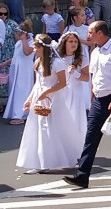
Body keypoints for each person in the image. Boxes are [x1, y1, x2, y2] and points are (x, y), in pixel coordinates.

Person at [63, 21, 111, 189]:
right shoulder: (95, 51)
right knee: (91, 137)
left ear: (99, 33)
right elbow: (94, 78)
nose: (88, 35)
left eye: (90, 32)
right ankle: (83, 175)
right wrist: (91, 98)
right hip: (98, 100)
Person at [16, 34, 82, 174]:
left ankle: (70, 153)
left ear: (42, 48)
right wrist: (30, 98)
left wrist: (47, 92)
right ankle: (41, 162)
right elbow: (37, 83)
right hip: (40, 97)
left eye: (35, 47)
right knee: (40, 129)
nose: (34, 49)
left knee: (57, 127)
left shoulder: (57, 63)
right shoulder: (38, 62)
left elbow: (63, 83)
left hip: (53, 98)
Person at [58, 31, 92, 137]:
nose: (73, 44)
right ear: (65, 43)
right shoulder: (58, 59)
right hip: (62, 92)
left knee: (75, 118)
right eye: (70, 41)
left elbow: (86, 78)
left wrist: (76, 74)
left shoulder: (82, 59)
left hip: (76, 92)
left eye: (76, 42)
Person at [1, 22, 36, 125]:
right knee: (15, 90)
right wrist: (6, 62)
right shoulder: (19, 43)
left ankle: (20, 114)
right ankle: (19, 113)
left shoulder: (31, 43)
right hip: (16, 69)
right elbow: (17, 56)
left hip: (24, 70)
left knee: (22, 91)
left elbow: (27, 52)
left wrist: (24, 39)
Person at [0, 3, 19, 97]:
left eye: (5, 14)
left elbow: (18, 40)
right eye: (0, 14)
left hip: (9, 52)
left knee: (8, 75)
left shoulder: (12, 24)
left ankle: (9, 96)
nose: (3, 16)